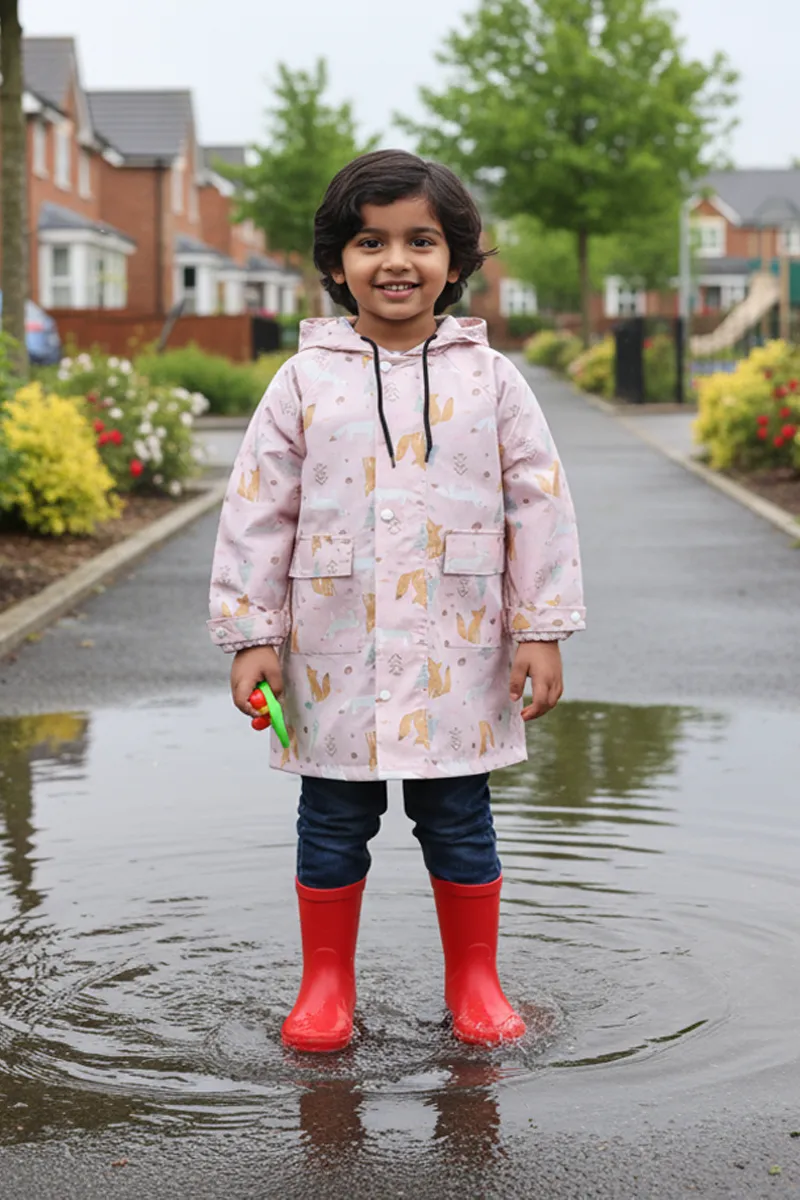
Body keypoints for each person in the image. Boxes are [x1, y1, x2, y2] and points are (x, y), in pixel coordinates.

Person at [208, 149, 585, 1053]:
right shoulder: (303, 380)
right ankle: (325, 986)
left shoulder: (491, 379)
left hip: (461, 645)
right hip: (333, 643)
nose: (396, 261)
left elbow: (538, 502)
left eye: (421, 240)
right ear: (337, 263)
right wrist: (252, 634)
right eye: (370, 242)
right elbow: (258, 508)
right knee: (333, 819)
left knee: (459, 817)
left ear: (455, 261)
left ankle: (476, 982)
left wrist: (540, 628)